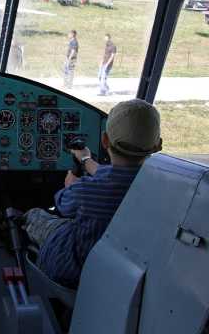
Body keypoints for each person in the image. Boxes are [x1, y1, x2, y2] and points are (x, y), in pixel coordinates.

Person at [23, 99, 162, 288]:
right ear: (157, 145)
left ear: (105, 140)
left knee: (34, 215)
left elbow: (62, 204)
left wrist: (71, 181)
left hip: (75, 270)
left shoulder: (85, 190)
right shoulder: (163, 188)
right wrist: (86, 159)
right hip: (128, 274)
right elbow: (116, 175)